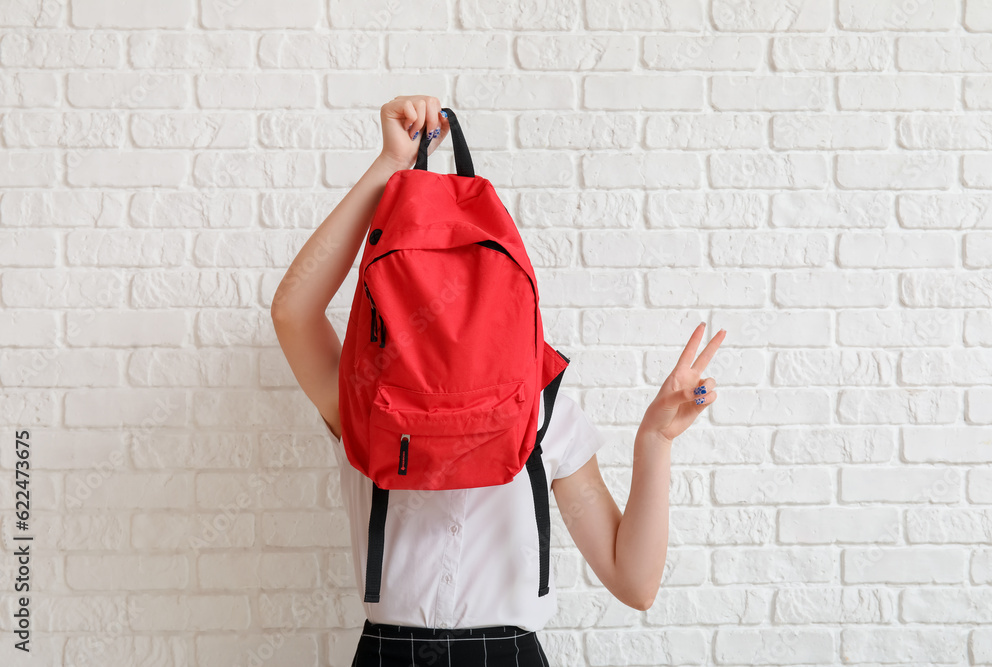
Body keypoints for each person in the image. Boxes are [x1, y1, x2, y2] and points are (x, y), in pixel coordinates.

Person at [271, 94, 726, 666]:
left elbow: (634, 583)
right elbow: (293, 313)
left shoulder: (545, 408)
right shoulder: (371, 400)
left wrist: (654, 442)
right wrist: (390, 165)